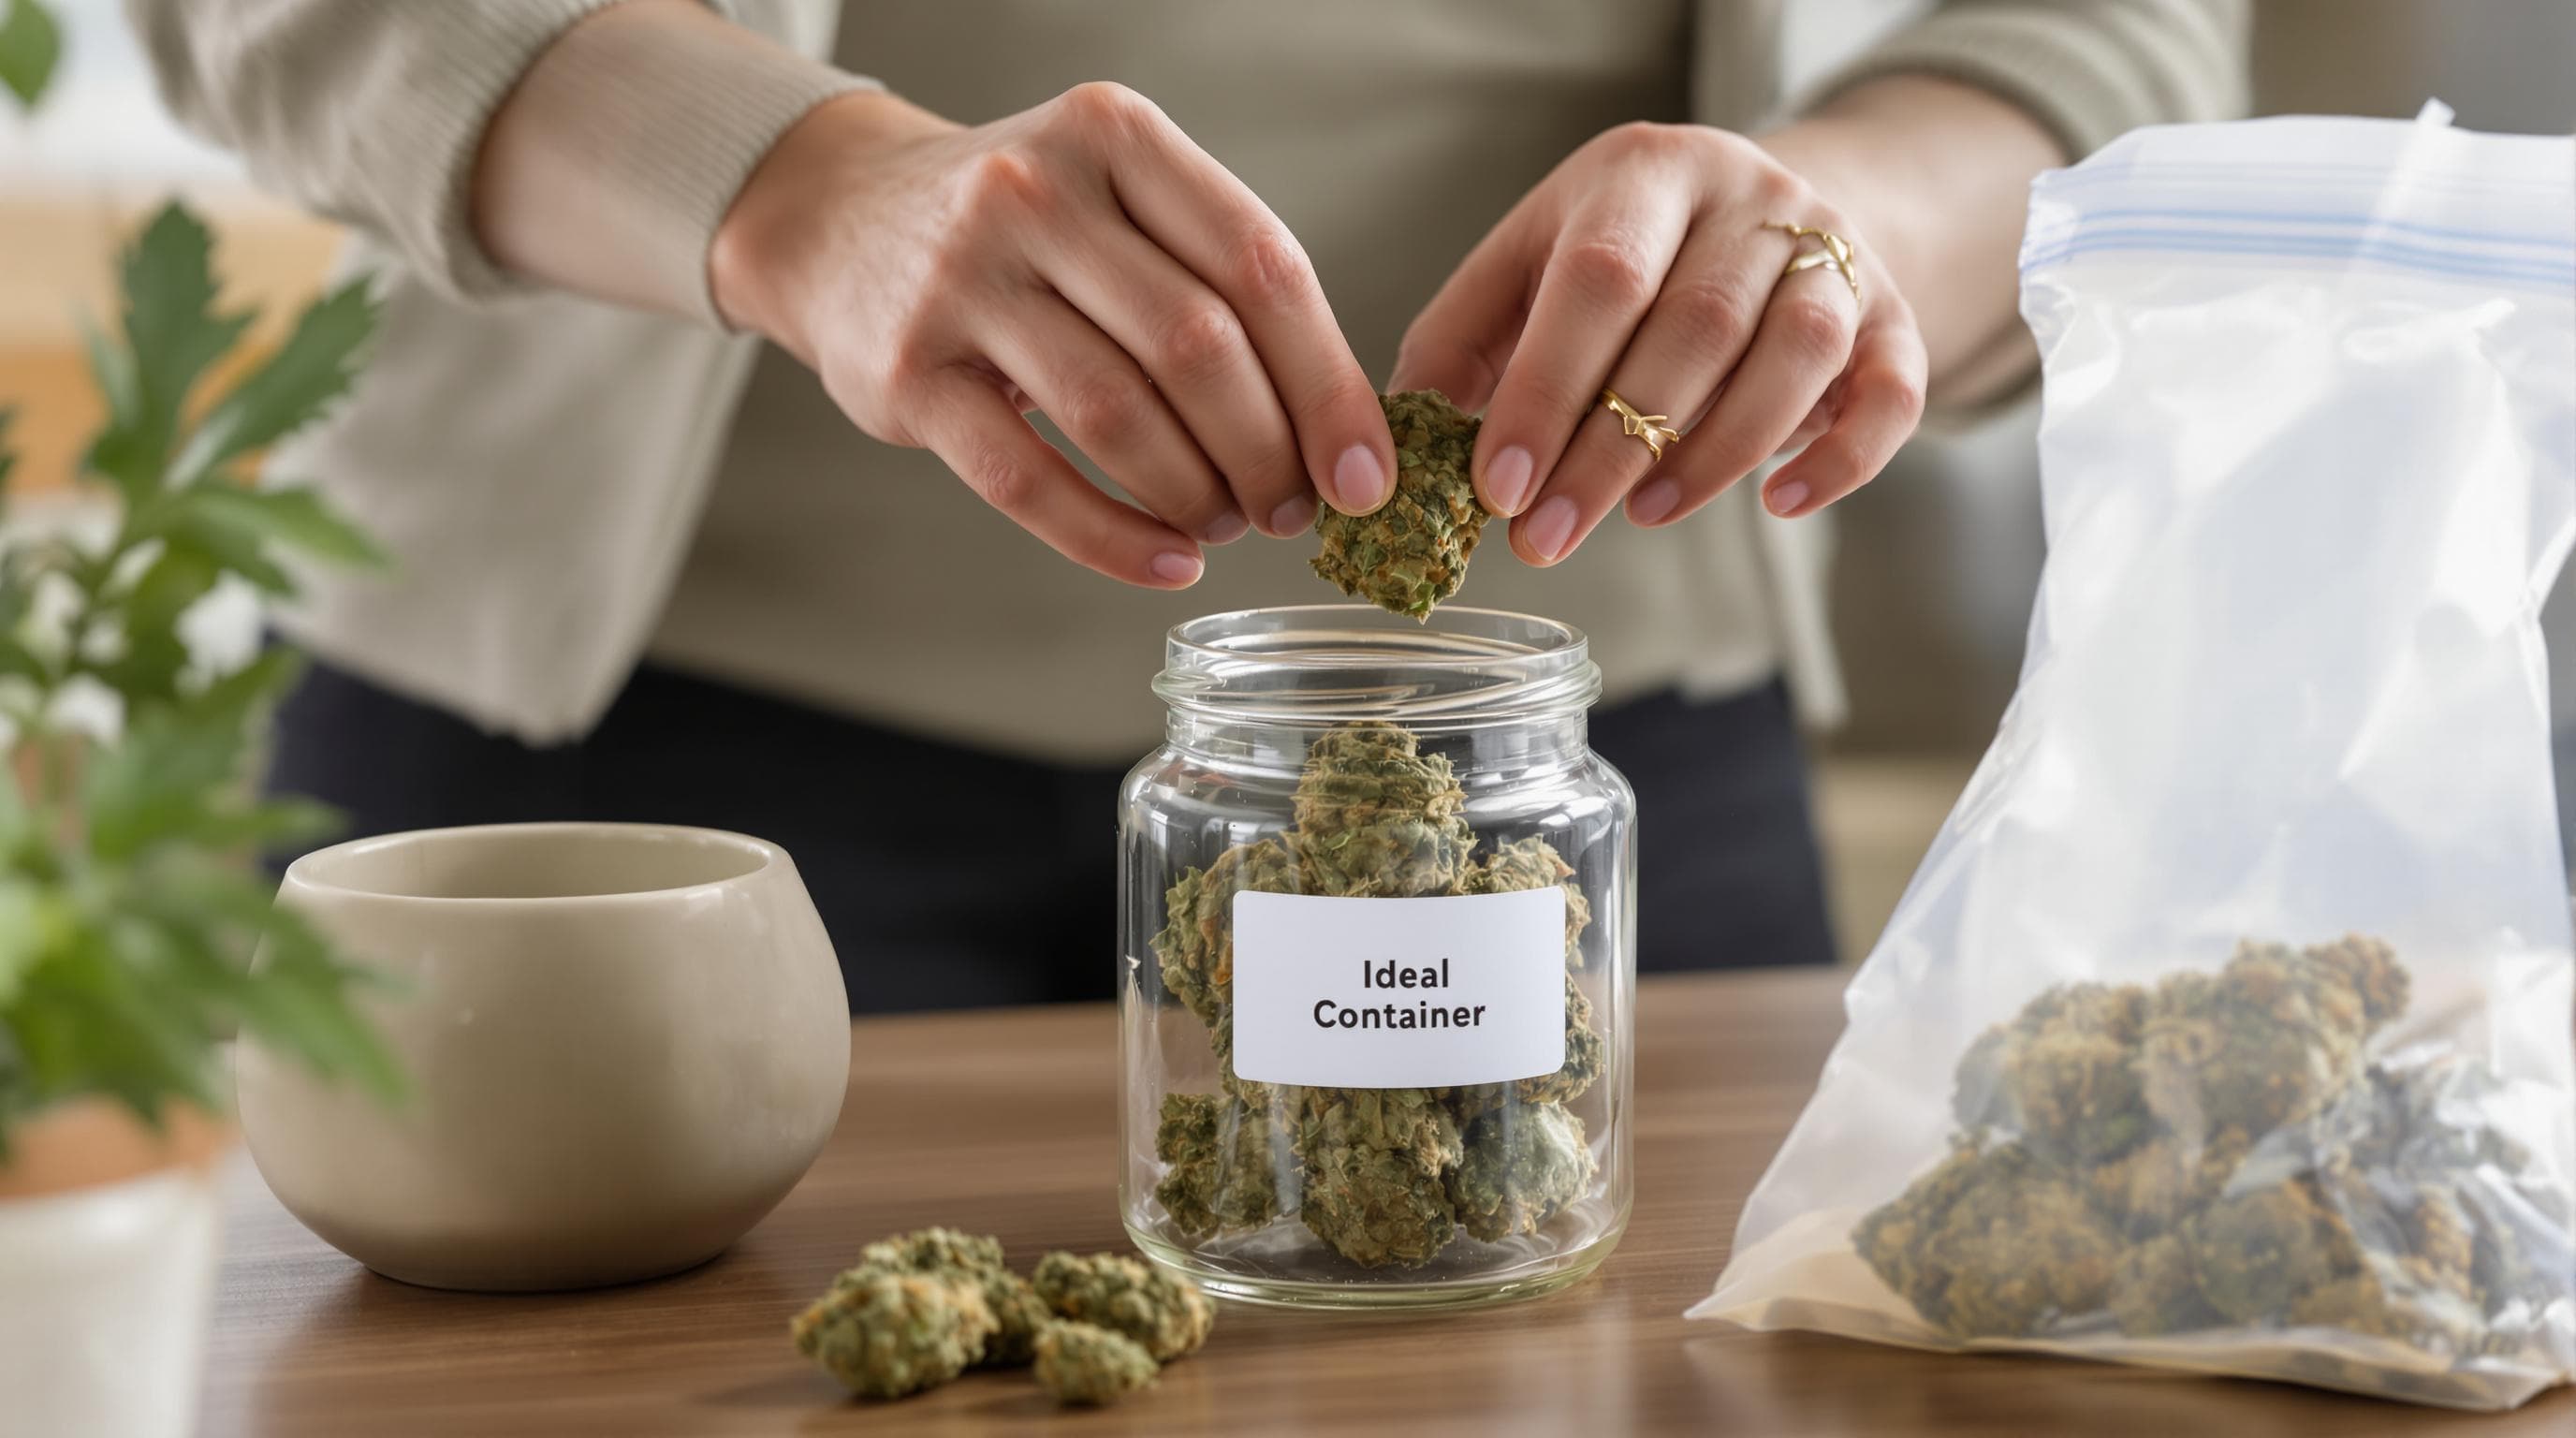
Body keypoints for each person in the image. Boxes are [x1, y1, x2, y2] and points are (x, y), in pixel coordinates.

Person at [130, 1, 2246, 1010]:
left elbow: (2117, 29)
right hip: (619, 760)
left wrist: (1834, 235)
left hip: (1550, 747)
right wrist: (780, 187)